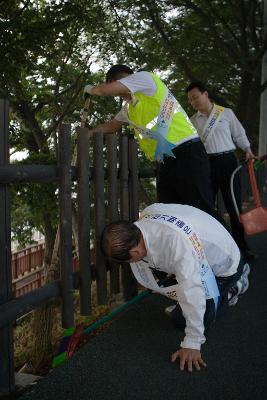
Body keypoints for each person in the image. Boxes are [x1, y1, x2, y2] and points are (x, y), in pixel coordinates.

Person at [101, 203, 250, 372]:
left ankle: (236, 284)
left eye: (128, 261)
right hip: (202, 253)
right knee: (183, 300)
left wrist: (193, 342)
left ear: (134, 253)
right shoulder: (146, 217)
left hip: (224, 265)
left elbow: (193, 289)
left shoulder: (175, 243)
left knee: (183, 321)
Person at [84, 65, 217, 218]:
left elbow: (102, 90)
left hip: (186, 151)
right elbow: (112, 125)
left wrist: (89, 89)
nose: (115, 93)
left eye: (112, 84)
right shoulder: (128, 109)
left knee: (202, 210)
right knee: (171, 213)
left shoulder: (145, 78)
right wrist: (90, 133)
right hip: (164, 160)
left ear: (120, 80)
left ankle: (226, 242)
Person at [186, 81, 257, 260]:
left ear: (205, 94)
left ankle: (243, 247)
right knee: (210, 206)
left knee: (233, 205)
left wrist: (247, 149)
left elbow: (239, 134)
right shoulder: (193, 121)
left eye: (195, 97)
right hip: (206, 165)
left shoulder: (226, 113)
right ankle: (219, 249)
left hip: (228, 162)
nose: (194, 102)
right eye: (190, 101)